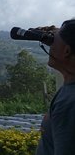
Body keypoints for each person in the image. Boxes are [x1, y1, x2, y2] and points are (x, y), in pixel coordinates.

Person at [35, 19, 75, 154]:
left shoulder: (69, 103)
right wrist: (61, 35)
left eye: (53, 41)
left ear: (67, 51)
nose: (50, 45)